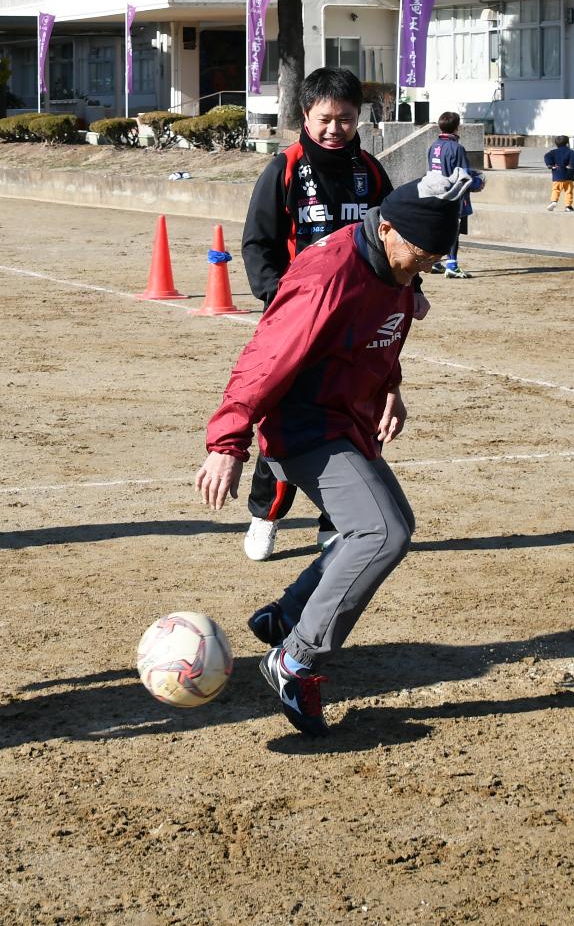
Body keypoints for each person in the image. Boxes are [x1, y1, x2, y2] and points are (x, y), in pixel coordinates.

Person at [196, 170, 466, 736]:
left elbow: (382, 328)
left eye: (434, 259)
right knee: (380, 533)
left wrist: (389, 386)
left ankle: (291, 610)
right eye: (418, 256)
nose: (422, 270)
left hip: (340, 416)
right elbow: (264, 358)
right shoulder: (328, 275)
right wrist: (227, 442)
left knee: (388, 525)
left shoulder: (392, 260)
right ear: (387, 229)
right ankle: (295, 658)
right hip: (301, 421)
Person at [238, 67, 395, 563]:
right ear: (305, 115)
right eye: (326, 119)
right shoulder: (284, 169)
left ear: (358, 119)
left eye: (345, 120)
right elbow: (257, 243)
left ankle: (336, 523)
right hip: (298, 326)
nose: (335, 129)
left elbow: (395, 240)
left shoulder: (369, 172)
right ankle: (267, 515)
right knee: (284, 421)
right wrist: (276, 299)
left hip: (358, 327)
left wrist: (406, 290)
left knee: (356, 420)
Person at [426, 112, 482, 279]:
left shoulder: (433, 146)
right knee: (453, 230)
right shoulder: (457, 148)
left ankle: (434, 262)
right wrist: (477, 183)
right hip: (452, 195)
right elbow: (463, 175)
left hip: (435, 192)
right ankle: (452, 265)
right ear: (457, 127)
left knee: (438, 229)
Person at [542, 135, 574, 211]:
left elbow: (546, 156)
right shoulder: (571, 152)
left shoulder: (553, 152)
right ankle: (568, 206)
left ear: (556, 144)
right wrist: (571, 165)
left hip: (557, 175)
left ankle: (553, 201)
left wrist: (550, 165)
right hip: (569, 176)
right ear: (567, 144)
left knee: (556, 190)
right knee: (568, 192)